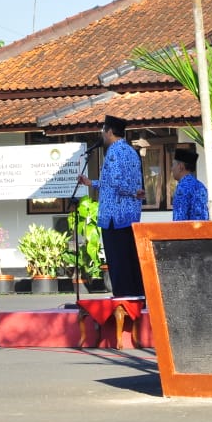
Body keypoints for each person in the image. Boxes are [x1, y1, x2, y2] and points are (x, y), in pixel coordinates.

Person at [77, 115, 145, 297]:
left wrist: (131, 192)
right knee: (131, 259)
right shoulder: (131, 151)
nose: (102, 135)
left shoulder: (114, 152)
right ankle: (137, 296)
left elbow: (116, 183)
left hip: (115, 216)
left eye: (102, 131)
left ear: (109, 132)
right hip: (131, 215)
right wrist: (92, 183)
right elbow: (114, 182)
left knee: (118, 261)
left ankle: (123, 297)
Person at [171, 148, 209, 221]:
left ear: (180, 166)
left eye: (173, 165)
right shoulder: (201, 186)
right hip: (203, 231)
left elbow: (179, 219)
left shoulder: (182, 188)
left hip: (188, 231)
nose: (172, 169)